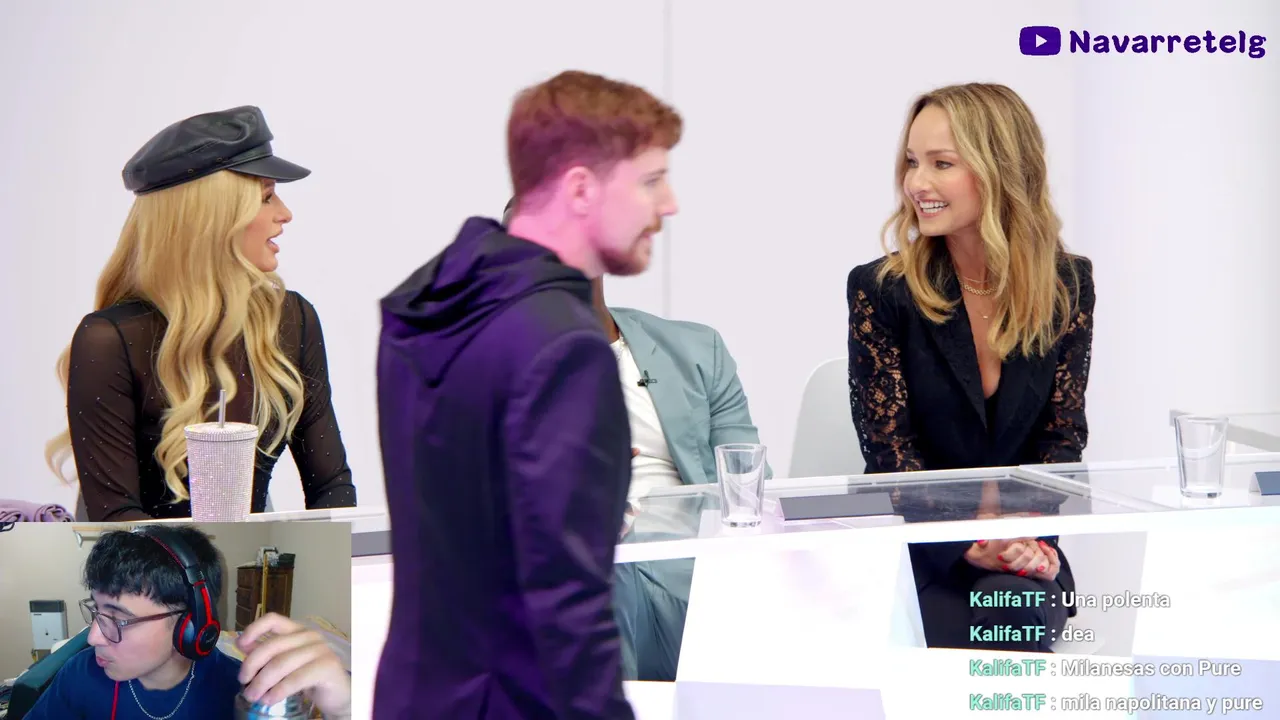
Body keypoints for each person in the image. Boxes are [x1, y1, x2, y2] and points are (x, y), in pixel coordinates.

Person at [375, 71, 681, 719]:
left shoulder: (431, 309)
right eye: (651, 180)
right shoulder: (565, 346)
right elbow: (567, 603)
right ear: (581, 188)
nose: (670, 204)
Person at [845, 83, 1095, 653]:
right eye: (912, 162)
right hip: (924, 550)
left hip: (1023, 547)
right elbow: (890, 454)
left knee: (1015, 611)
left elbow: (1063, 437)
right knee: (972, 633)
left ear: (999, 169)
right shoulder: (882, 290)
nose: (917, 183)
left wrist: (1025, 535)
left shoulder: (1067, 283)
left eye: (942, 164)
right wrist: (967, 543)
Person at [44, 106, 356, 521]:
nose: (285, 213)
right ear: (212, 219)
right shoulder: (110, 340)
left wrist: (326, 560)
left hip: (250, 560)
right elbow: (117, 521)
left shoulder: (291, 320)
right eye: (266, 197)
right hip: (145, 565)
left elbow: (331, 488)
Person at [23, 525, 351, 719]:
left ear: (191, 627)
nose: (94, 637)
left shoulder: (245, 694)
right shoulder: (79, 674)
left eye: (118, 618)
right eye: (97, 610)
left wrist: (346, 710)